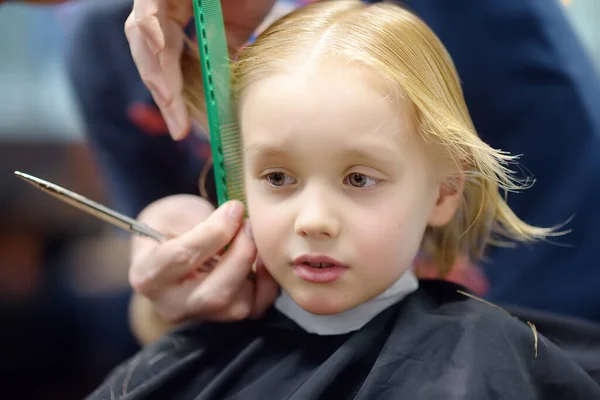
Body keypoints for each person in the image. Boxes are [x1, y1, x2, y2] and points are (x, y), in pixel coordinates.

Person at [85, 3, 600, 398]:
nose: (313, 221)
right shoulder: (112, 41)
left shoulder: (490, 359)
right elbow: (153, 315)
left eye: (358, 179)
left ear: (446, 190)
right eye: (278, 177)